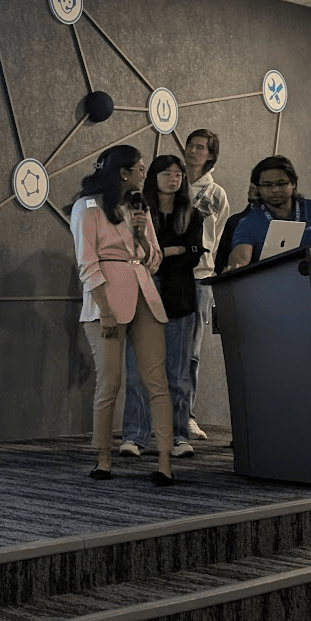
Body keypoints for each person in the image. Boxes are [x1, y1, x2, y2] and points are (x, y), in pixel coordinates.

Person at [69, 145, 177, 486]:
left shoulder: (138, 207)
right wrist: (105, 311)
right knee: (110, 382)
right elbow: (87, 265)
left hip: (145, 295)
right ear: (123, 172)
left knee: (157, 381)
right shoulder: (88, 208)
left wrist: (140, 233)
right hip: (107, 303)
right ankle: (103, 458)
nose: (146, 174)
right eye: (140, 169)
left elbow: (153, 259)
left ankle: (164, 461)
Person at [117, 156, 205, 461]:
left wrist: (163, 253)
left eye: (179, 173)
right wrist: (172, 250)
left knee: (177, 375)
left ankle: (178, 436)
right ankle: (134, 436)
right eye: (167, 173)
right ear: (153, 177)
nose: (174, 178)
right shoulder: (138, 212)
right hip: (143, 300)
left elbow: (193, 256)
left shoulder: (192, 215)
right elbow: (135, 253)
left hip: (180, 301)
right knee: (138, 372)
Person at [183, 129, 228, 442]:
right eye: (191, 145)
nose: (194, 151)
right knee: (156, 348)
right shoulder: (170, 181)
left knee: (192, 352)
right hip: (166, 275)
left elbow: (220, 235)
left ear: (211, 155)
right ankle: (155, 418)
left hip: (201, 277)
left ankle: (186, 416)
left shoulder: (216, 193)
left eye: (201, 147)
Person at [224, 155, 311, 271]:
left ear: (293, 184)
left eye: (281, 184)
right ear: (258, 188)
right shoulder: (249, 221)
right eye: (267, 185)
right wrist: (235, 267)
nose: (275, 190)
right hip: (270, 284)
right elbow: (240, 257)